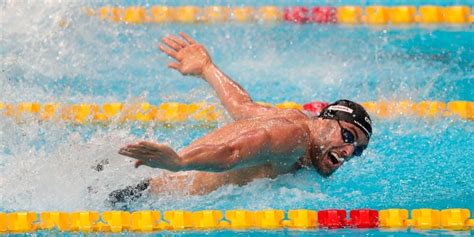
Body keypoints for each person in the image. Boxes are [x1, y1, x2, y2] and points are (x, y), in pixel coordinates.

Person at [109, 32, 372, 208]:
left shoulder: (295, 120)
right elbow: (234, 151)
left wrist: (206, 69)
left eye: (357, 150)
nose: (348, 151)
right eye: (347, 136)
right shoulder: (294, 137)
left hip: (142, 181)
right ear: (324, 120)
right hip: (146, 197)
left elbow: (242, 106)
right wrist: (180, 162)